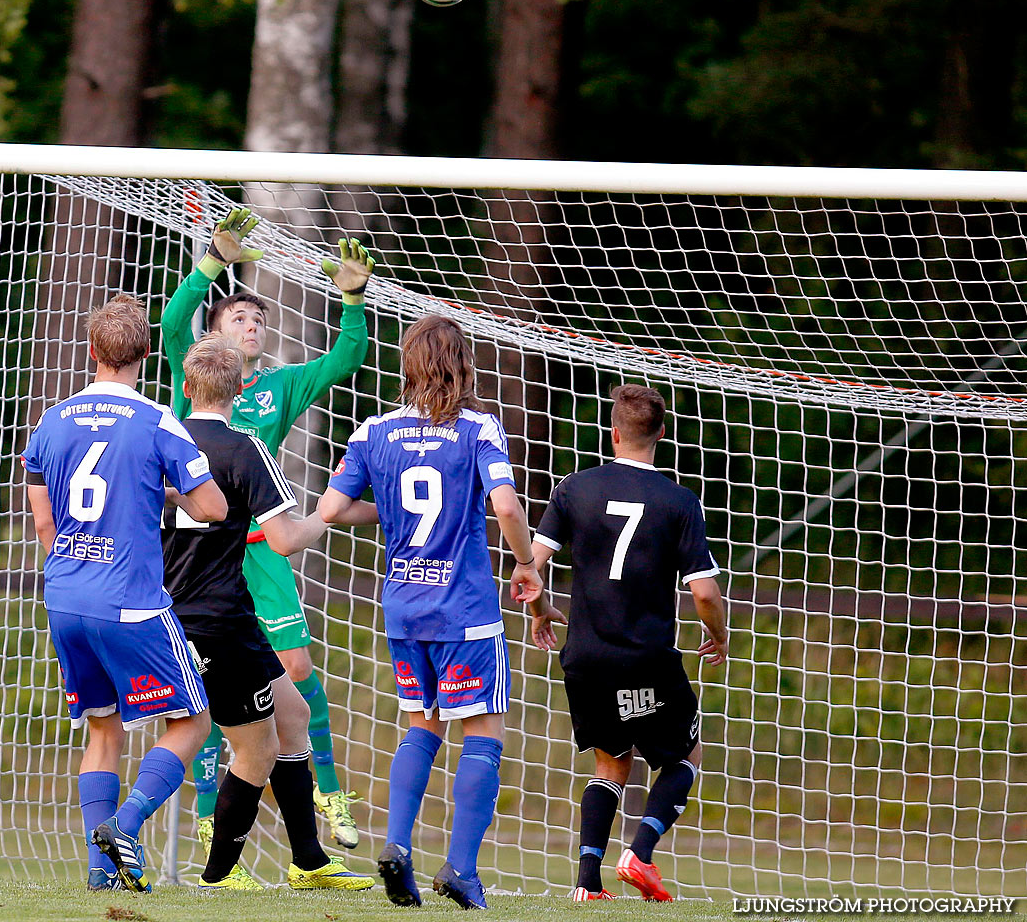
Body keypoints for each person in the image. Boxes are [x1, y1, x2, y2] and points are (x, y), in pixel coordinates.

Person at [162, 207, 375, 852]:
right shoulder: (188, 378)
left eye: (258, 320)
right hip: (200, 550)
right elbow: (172, 321)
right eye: (236, 318)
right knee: (197, 691)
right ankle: (208, 819)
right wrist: (211, 264)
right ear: (213, 338)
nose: (250, 325)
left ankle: (328, 795)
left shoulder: (280, 385)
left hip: (261, 545)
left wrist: (353, 296)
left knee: (299, 672)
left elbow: (347, 359)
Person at [319, 314, 543, 910]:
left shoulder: (374, 431)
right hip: (464, 609)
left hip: (403, 608)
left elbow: (333, 509)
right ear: (461, 364)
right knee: (484, 735)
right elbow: (507, 507)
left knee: (422, 727)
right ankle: (462, 870)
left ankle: (396, 845)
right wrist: (527, 564)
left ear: (409, 365)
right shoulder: (478, 428)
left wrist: (388, 512)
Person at [21, 294, 228, 894]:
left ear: (91, 353)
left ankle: (99, 872)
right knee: (193, 718)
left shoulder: (51, 420)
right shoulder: (157, 420)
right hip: (130, 600)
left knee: (103, 729)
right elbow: (211, 506)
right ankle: (129, 826)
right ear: (143, 355)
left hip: (63, 595)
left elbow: (42, 523)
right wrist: (161, 494)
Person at [527, 383, 728, 903]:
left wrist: (539, 609)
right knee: (685, 753)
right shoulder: (679, 501)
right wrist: (717, 632)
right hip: (645, 657)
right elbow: (704, 592)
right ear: (660, 434)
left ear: (613, 433)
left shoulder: (574, 487)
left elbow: (530, 566)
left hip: (586, 657)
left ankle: (586, 883)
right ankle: (640, 853)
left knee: (611, 763)